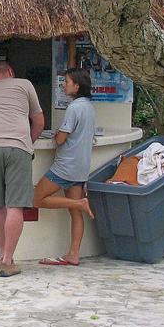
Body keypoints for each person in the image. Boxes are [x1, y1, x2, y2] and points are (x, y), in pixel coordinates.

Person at [0, 61, 44, 278]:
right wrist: (28, 143)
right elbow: (39, 122)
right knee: (15, 205)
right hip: (18, 148)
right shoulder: (24, 84)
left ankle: (2, 256)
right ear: (11, 73)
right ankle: (8, 260)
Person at [35, 68, 96, 266]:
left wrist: (56, 134)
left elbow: (61, 139)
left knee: (38, 199)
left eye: (67, 82)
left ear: (77, 86)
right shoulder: (89, 107)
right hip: (81, 166)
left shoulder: (74, 108)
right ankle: (73, 254)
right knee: (74, 213)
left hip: (66, 165)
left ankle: (80, 203)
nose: (64, 85)